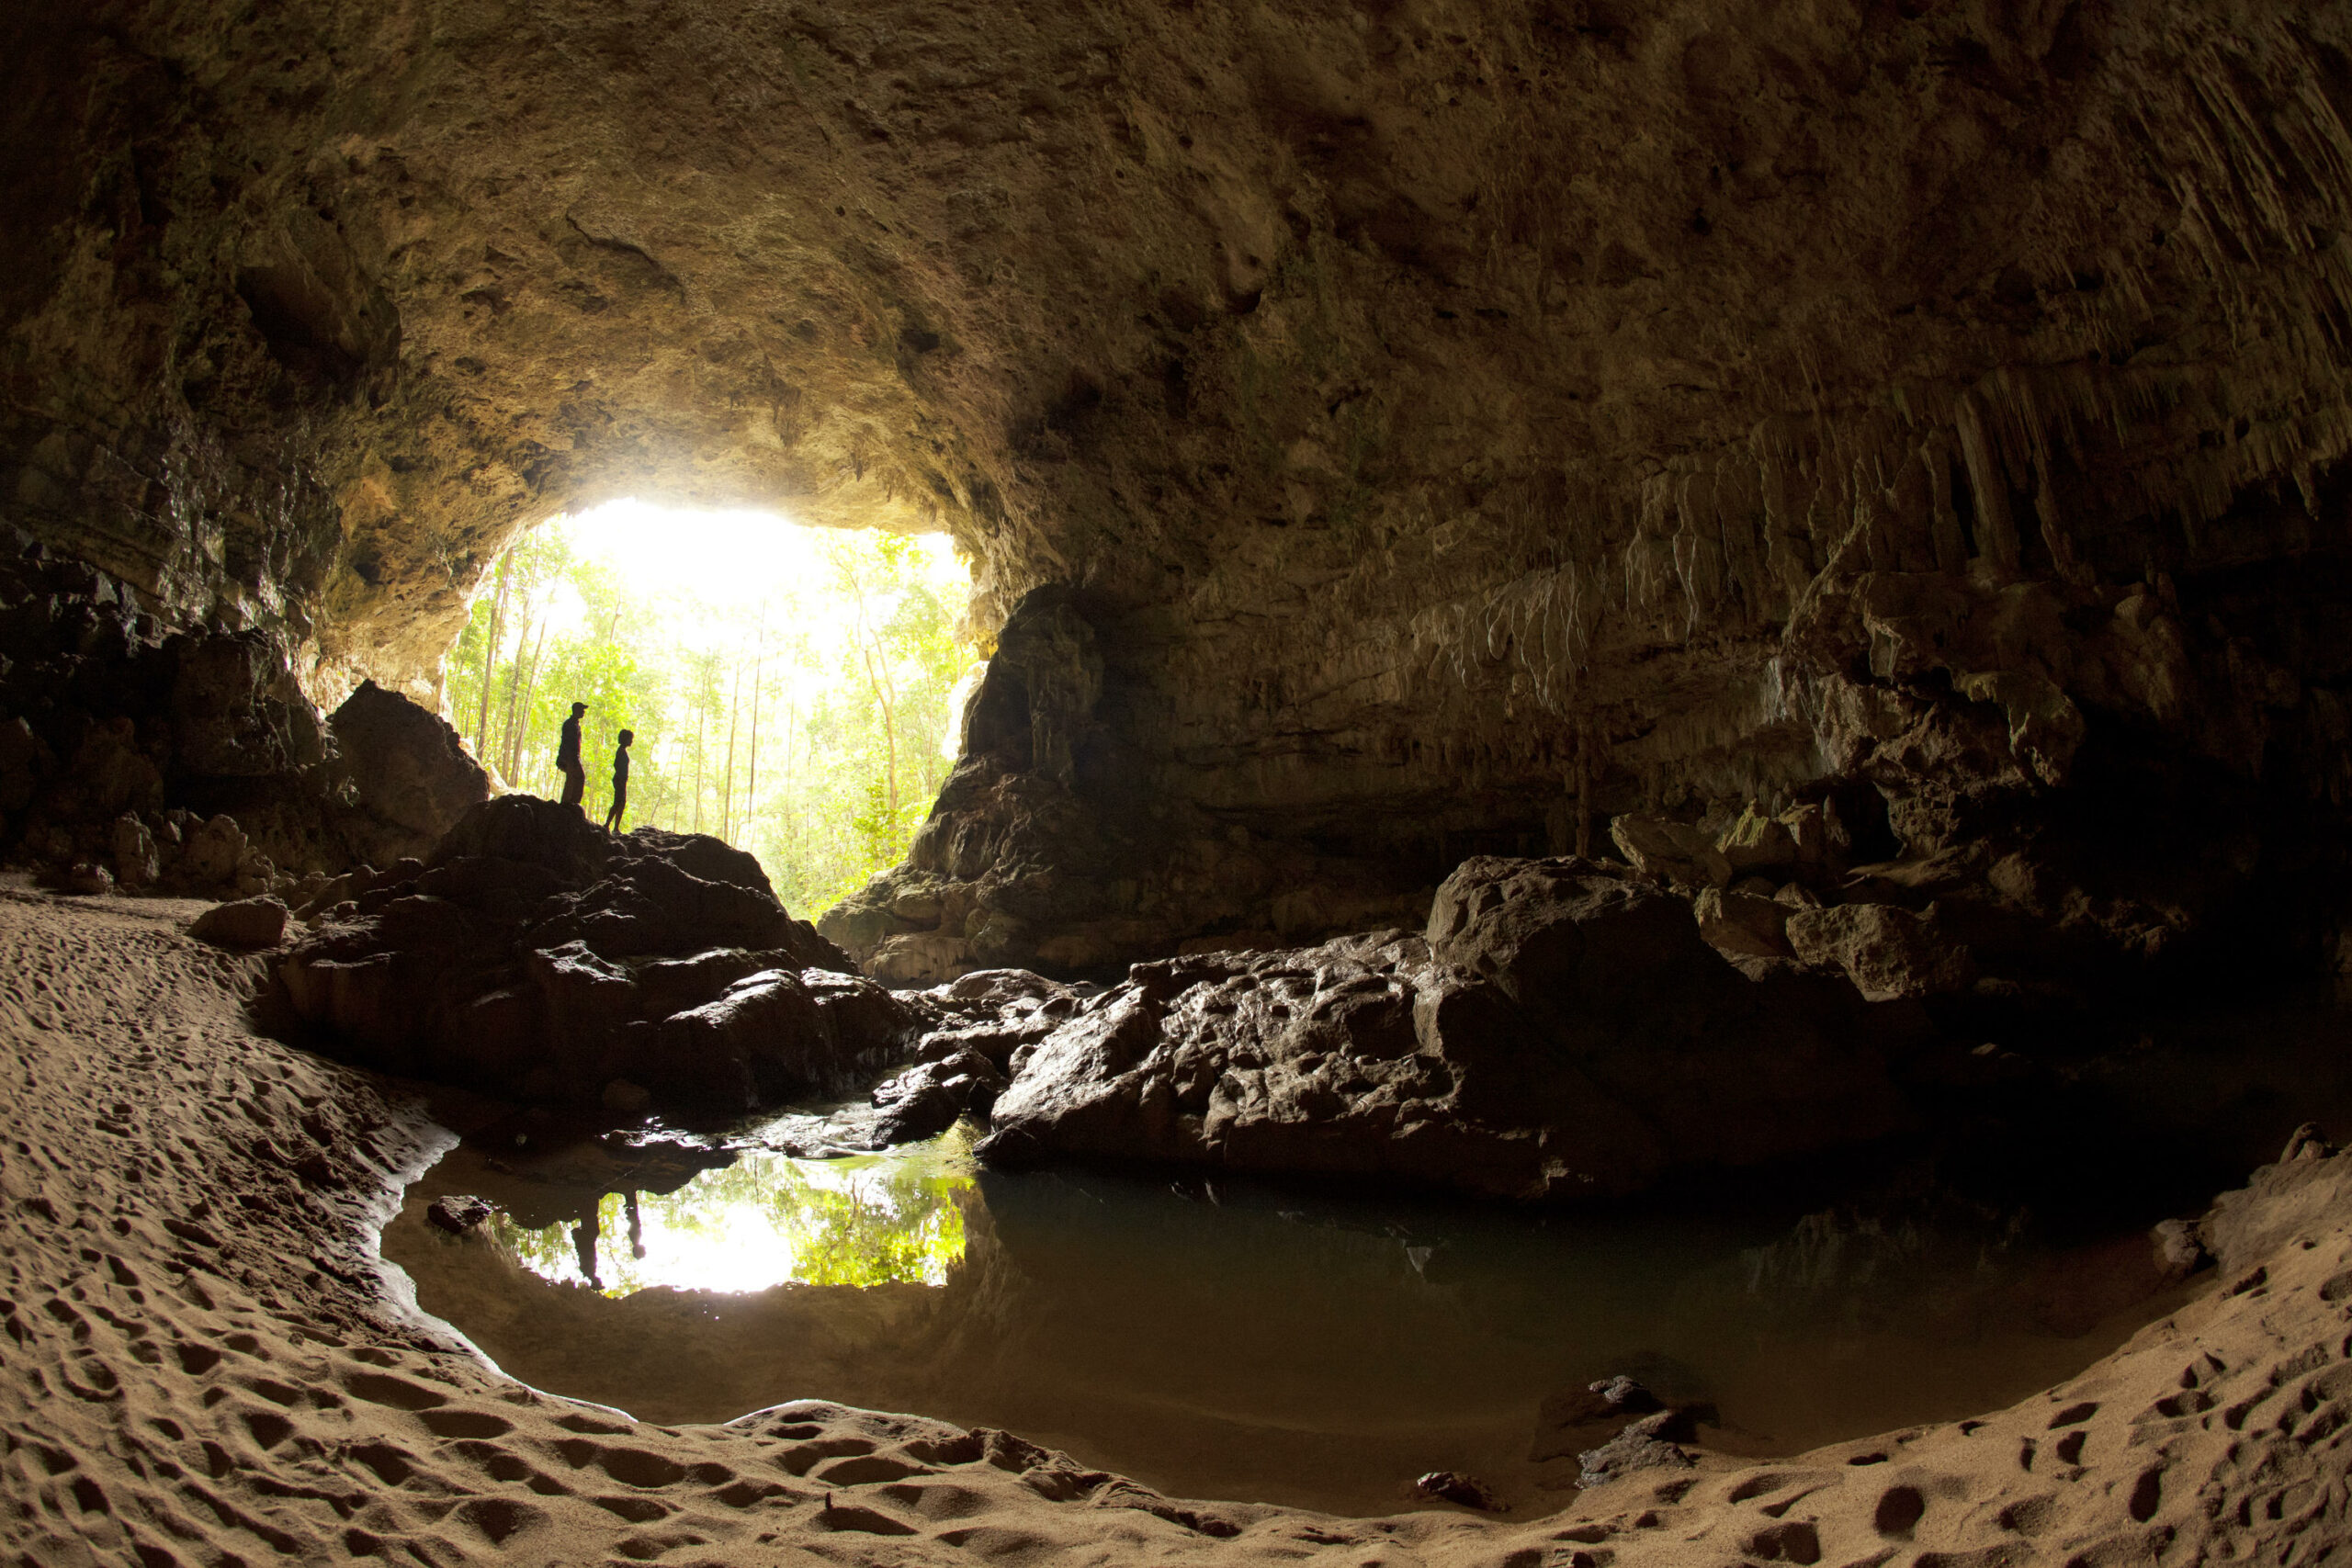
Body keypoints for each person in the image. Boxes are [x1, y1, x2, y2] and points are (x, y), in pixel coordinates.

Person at [556, 702, 587, 810]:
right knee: (574, 779)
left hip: (573, 757)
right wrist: (570, 760)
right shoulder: (570, 724)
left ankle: (571, 804)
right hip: (569, 757)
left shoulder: (575, 724)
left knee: (576, 779)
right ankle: (567, 804)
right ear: (576, 710)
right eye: (582, 710)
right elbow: (568, 743)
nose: (583, 712)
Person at [602, 729, 633, 834]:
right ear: (625, 739)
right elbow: (616, 764)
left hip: (621, 779)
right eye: (630, 739)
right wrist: (620, 777)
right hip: (619, 779)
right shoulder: (621, 751)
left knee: (621, 802)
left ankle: (615, 827)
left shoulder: (622, 750)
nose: (631, 741)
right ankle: (608, 825)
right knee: (618, 802)